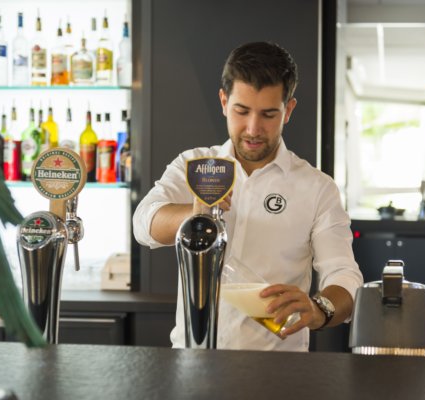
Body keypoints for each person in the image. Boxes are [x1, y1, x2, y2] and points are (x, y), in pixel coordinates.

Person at [133, 41, 363, 351]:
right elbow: (143, 224)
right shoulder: (195, 165)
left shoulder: (317, 187)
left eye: (269, 114)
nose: (253, 129)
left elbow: (344, 275)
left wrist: (319, 308)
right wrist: (196, 212)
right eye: (241, 111)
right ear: (224, 102)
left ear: (288, 110)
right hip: (192, 361)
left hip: (276, 367)